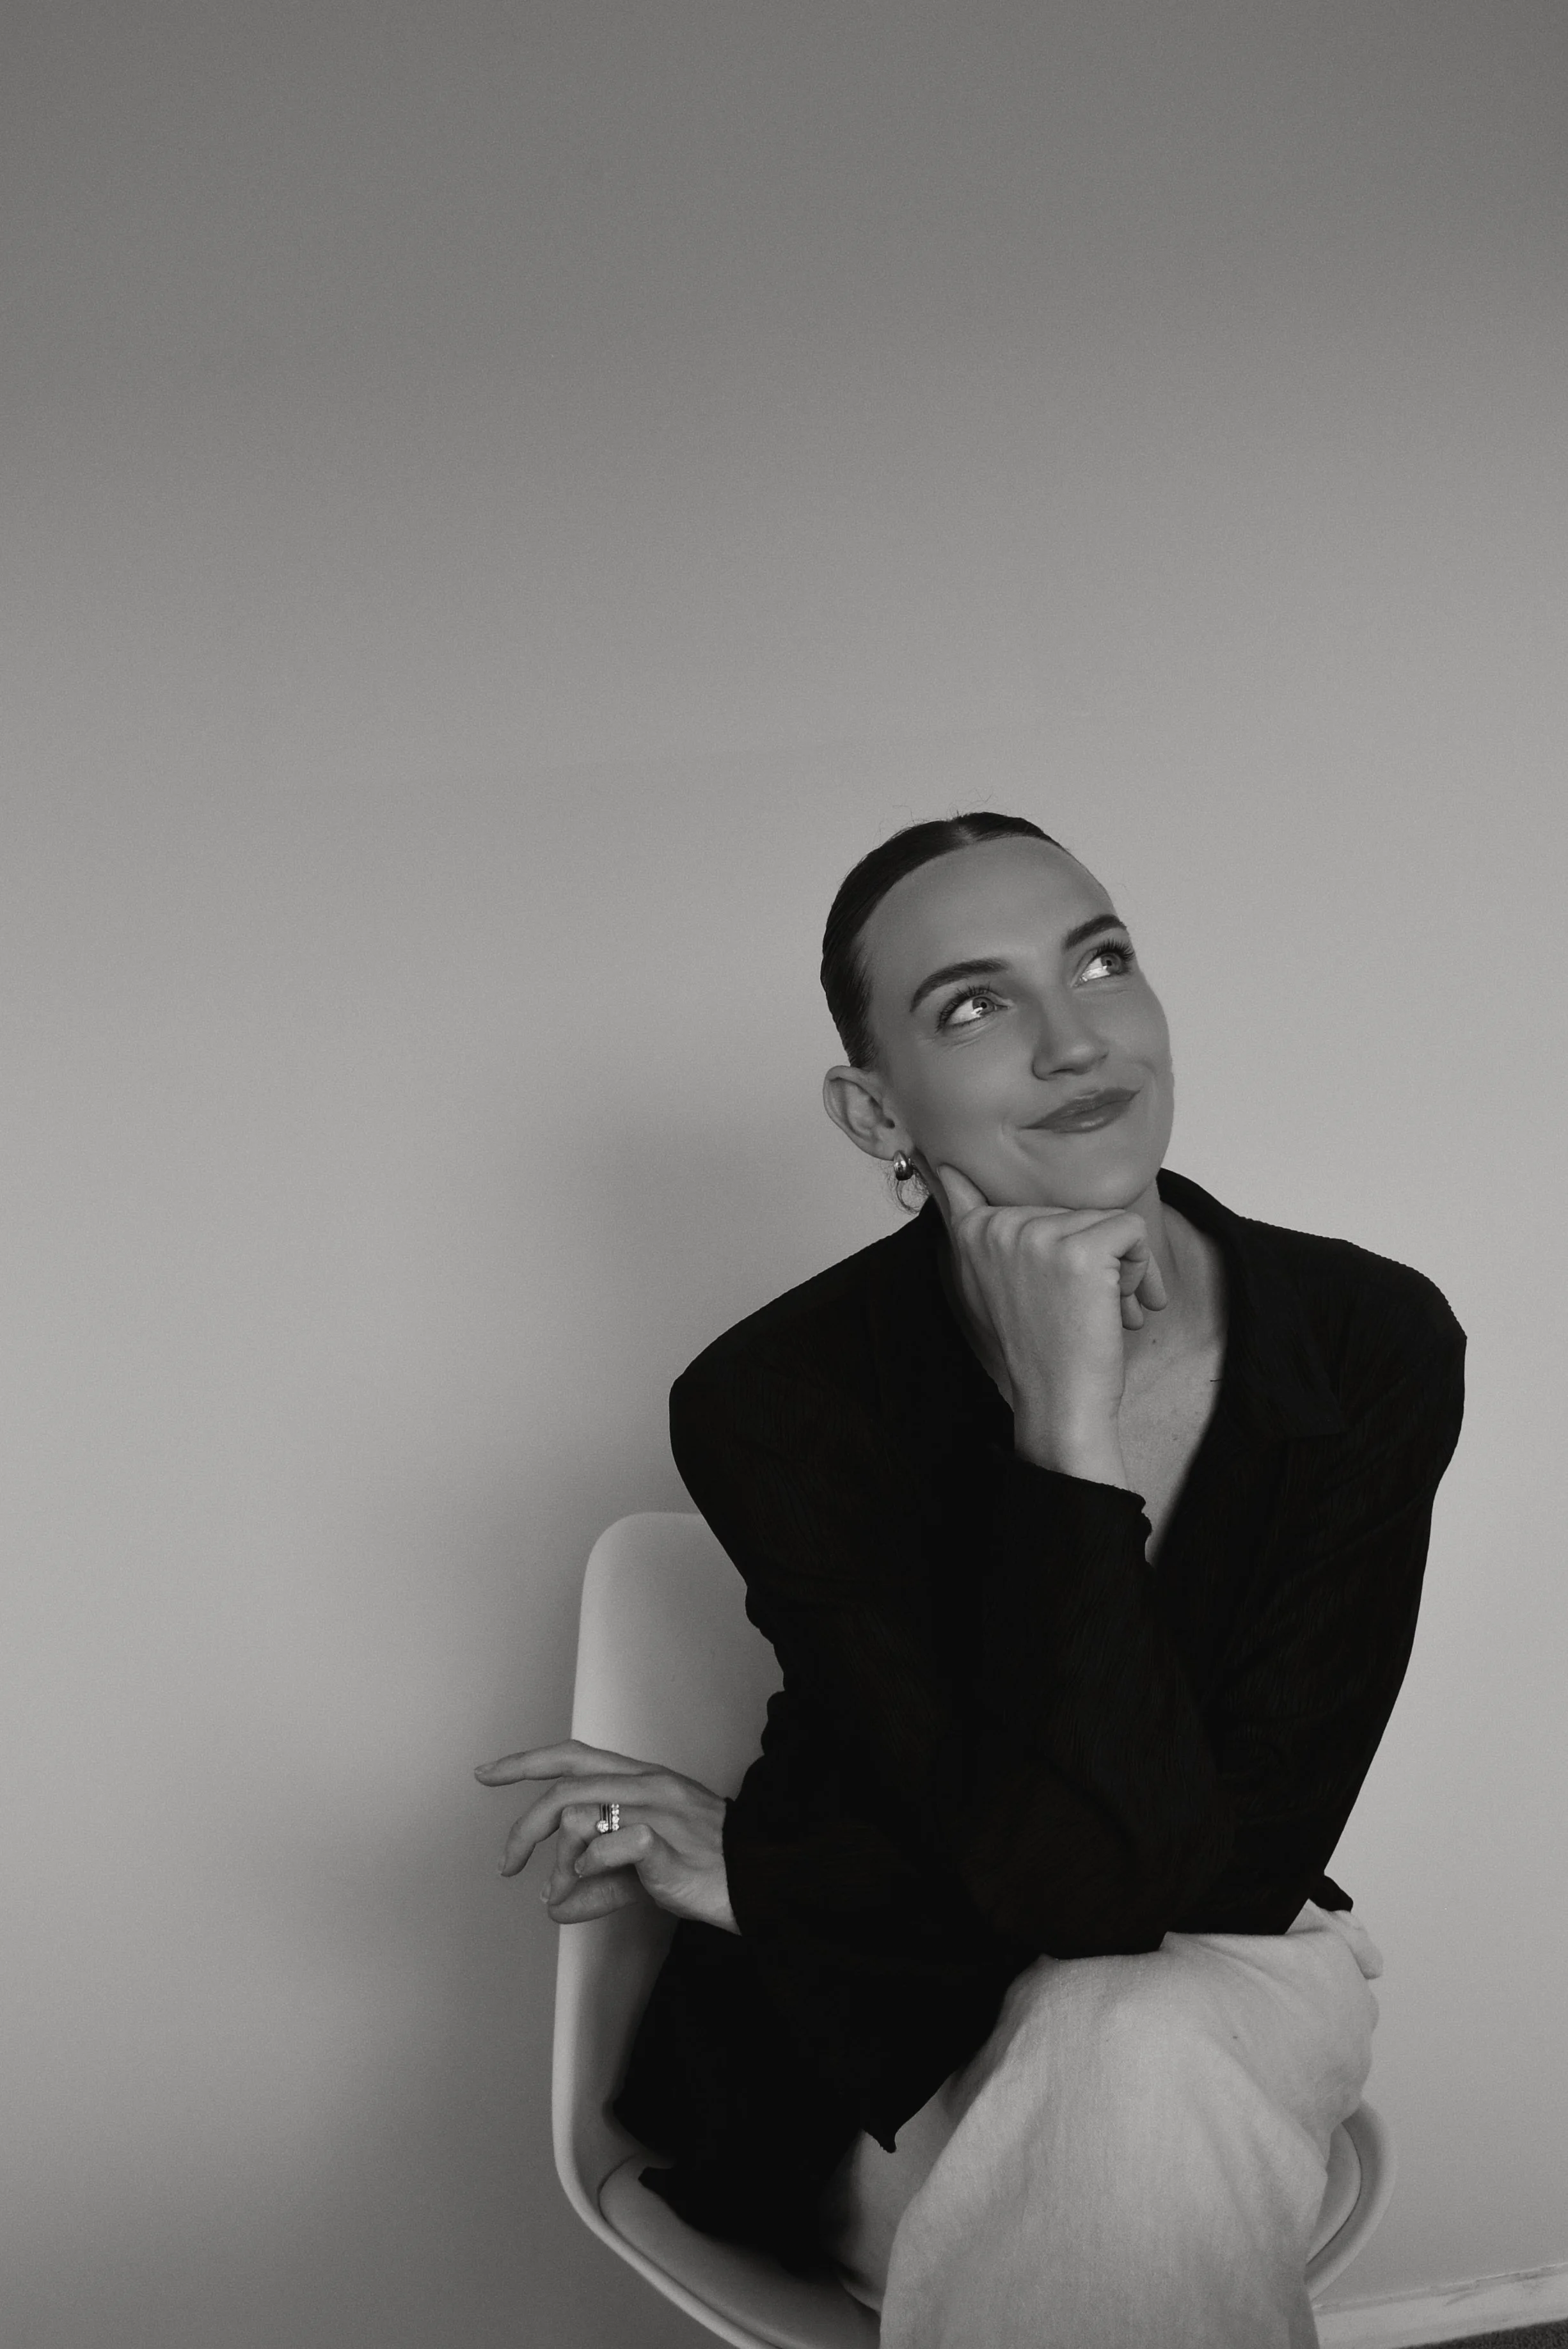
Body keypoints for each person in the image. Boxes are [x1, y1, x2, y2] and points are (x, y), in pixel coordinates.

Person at [476, 812, 1466, 2348]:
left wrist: (767, 1884)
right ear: (876, 1115)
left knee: (1136, 2037)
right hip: (886, 2040)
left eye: (1103, 962)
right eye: (977, 1004)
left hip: (1230, 1968)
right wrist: (1062, 1429)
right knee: (1123, 2076)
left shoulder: (1370, 1339)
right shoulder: (775, 1400)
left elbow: (1210, 1880)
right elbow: (1063, 1886)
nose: (1077, 1038)